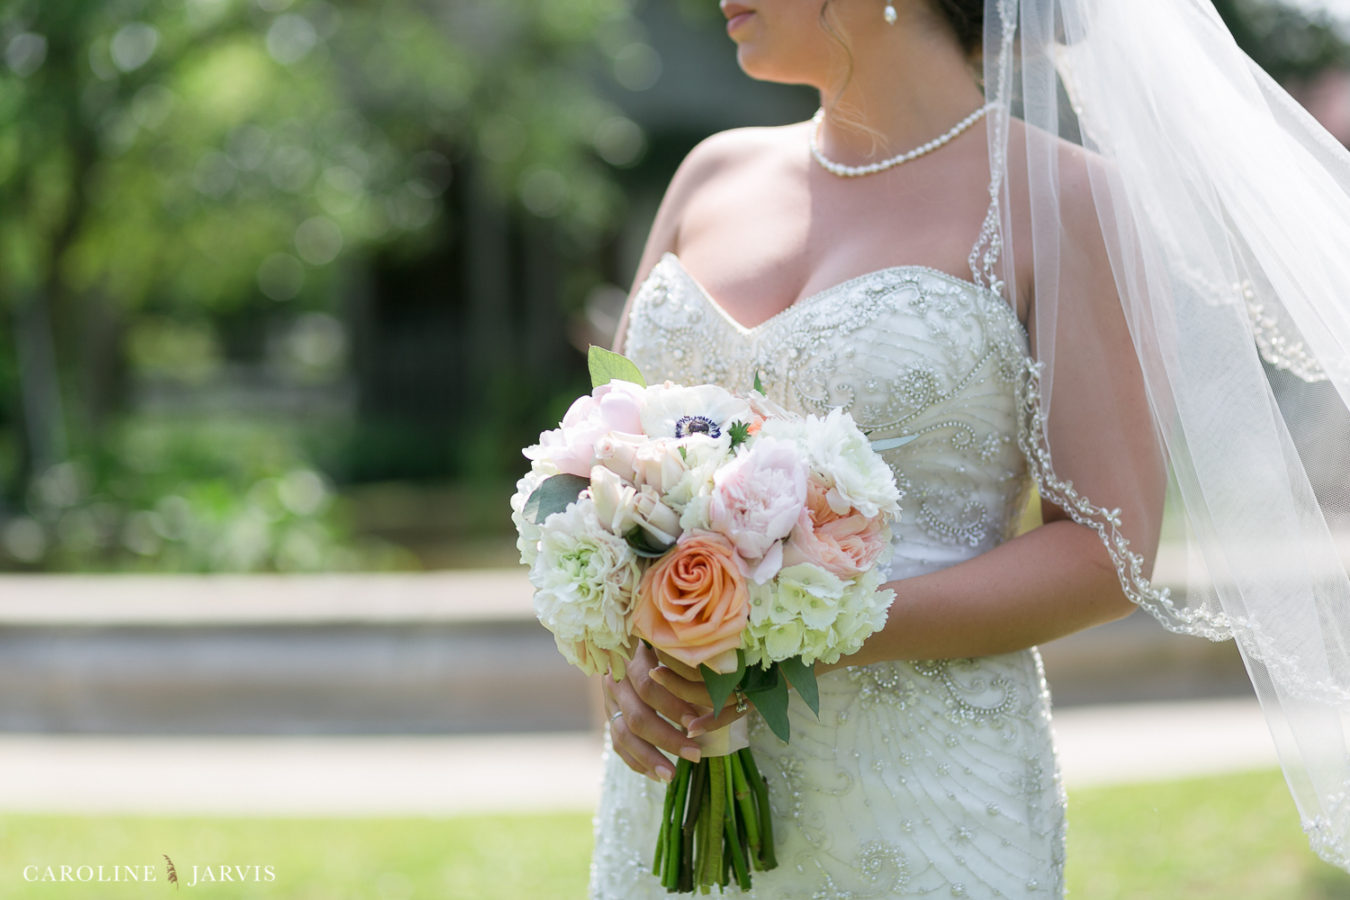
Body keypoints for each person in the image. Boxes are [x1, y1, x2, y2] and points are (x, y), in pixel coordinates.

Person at [591, 0, 1350, 895]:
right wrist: (629, 663)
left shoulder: (1062, 200)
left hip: (925, 805)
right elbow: (604, 478)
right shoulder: (708, 176)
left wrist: (813, 625)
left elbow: (1109, 548)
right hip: (671, 796)